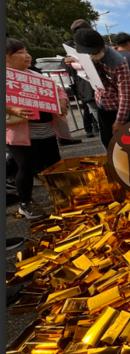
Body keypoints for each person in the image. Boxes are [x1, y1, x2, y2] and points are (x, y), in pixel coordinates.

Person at [6, 38, 72, 219]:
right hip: (20, 133)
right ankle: (25, 203)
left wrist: (62, 102)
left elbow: (58, 90)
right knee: (26, 167)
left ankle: (60, 196)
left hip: (45, 130)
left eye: (26, 51)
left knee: (54, 164)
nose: (27, 56)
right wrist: (12, 109)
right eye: (20, 52)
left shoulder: (35, 75)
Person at [70, 28, 130, 149]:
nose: (91, 55)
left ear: (103, 46)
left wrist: (120, 121)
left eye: (94, 52)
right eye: (88, 53)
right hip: (102, 105)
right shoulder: (86, 55)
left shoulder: (119, 62)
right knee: (108, 142)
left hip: (118, 109)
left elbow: (125, 94)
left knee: (127, 145)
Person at [63, 19, 99, 138]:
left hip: (99, 90)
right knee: (96, 114)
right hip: (88, 90)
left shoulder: (100, 47)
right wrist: (69, 63)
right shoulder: (73, 52)